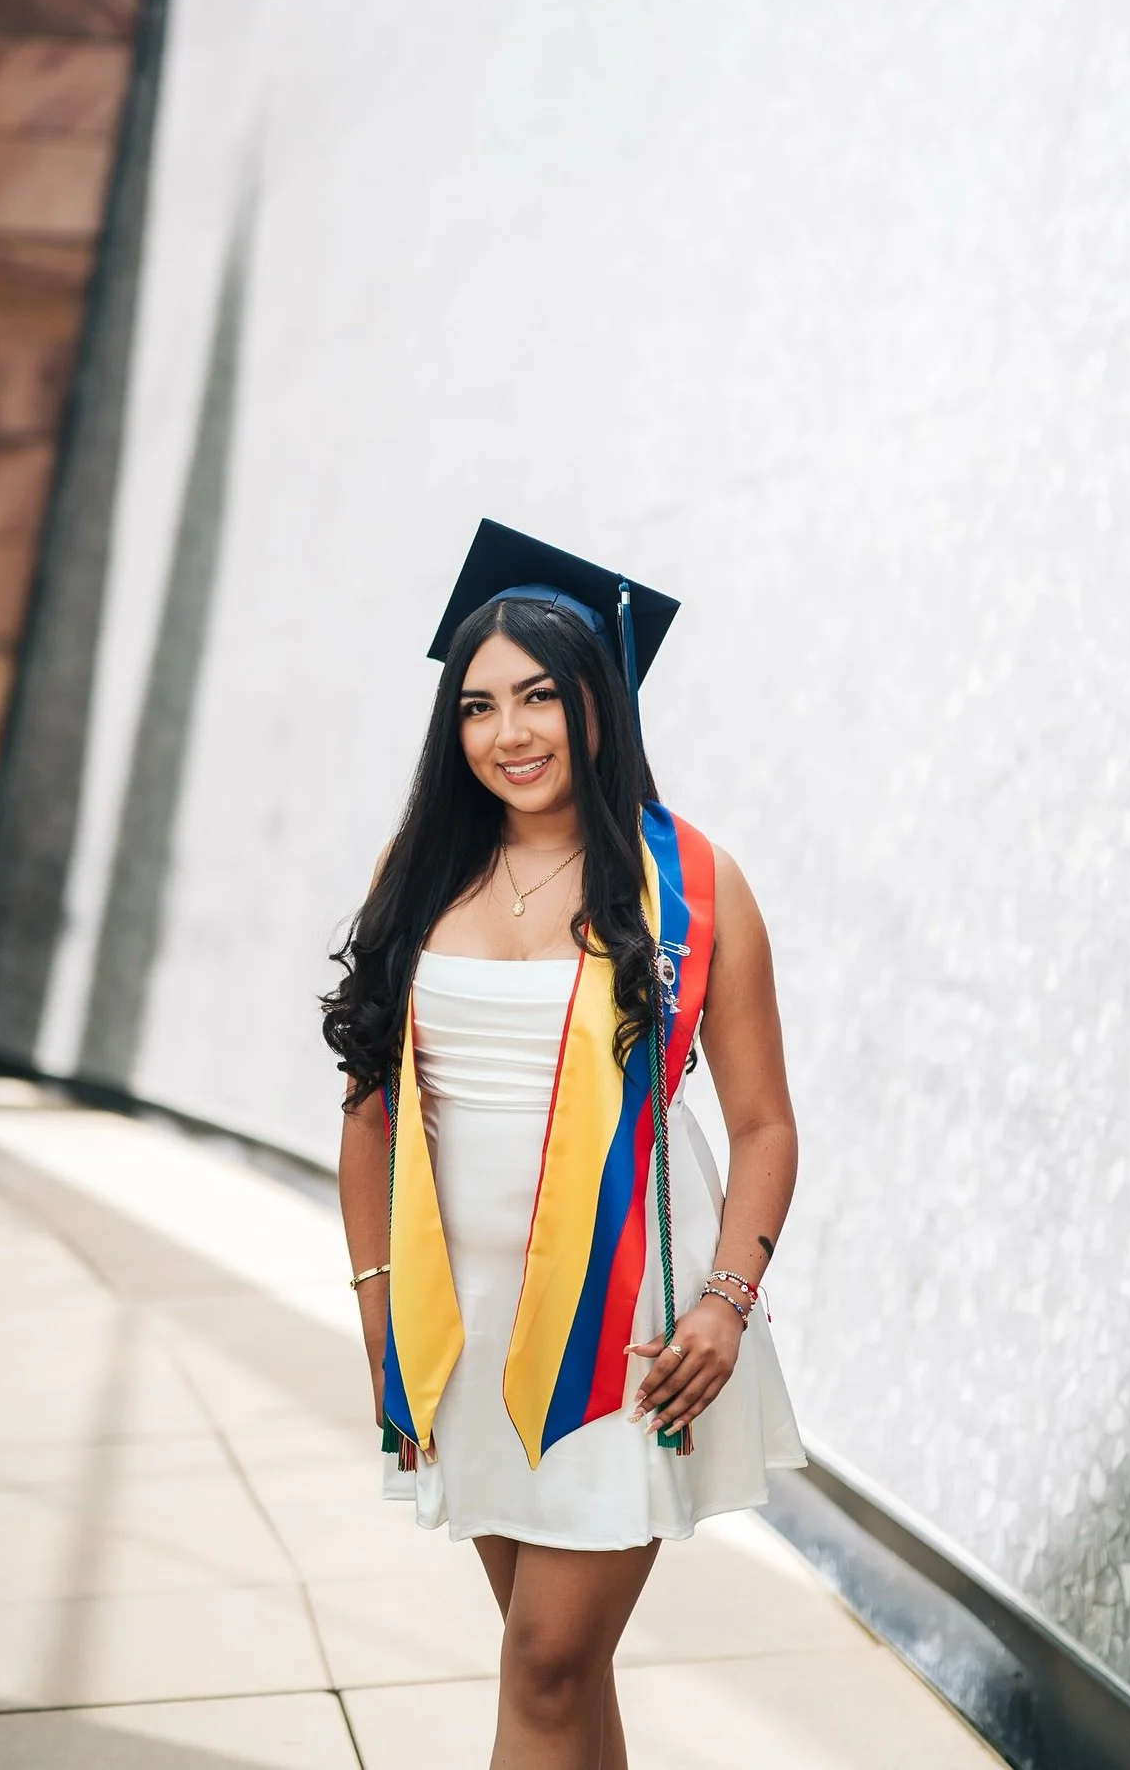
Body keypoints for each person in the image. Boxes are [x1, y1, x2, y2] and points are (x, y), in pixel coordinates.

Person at [323, 519, 805, 1769]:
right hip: (459, 1322)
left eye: (541, 695)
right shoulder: (422, 871)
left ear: (601, 701)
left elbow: (762, 1122)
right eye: (479, 707)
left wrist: (725, 1303)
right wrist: (380, 1315)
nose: (511, 732)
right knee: (561, 1669)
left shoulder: (690, 882)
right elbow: (371, 1115)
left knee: (542, 1663)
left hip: (626, 1316)